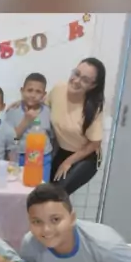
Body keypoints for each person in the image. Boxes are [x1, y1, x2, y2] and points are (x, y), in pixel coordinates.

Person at [48, 58, 105, 193]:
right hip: (62, 151)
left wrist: (69, 162)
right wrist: (22, 103)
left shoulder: (93, 107)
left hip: (86, 156)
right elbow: (43, 105)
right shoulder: (58, 89)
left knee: (57, 193)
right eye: (76, 73)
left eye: (85, 80)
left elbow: (95, 143)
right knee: (47, 191)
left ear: (93, 85)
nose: (76, 80)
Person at [5, 72, 53, 183]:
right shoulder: (13, 111)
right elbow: (11, 139)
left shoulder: (48, 111)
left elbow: (52, 136)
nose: (33, 95)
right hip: (20, 156)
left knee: (40, 188)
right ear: (22, 91)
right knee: (19, 186)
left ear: (44, 94)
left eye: (38, 92)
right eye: (29, 90)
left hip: (43, 158)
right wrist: (26, 121)